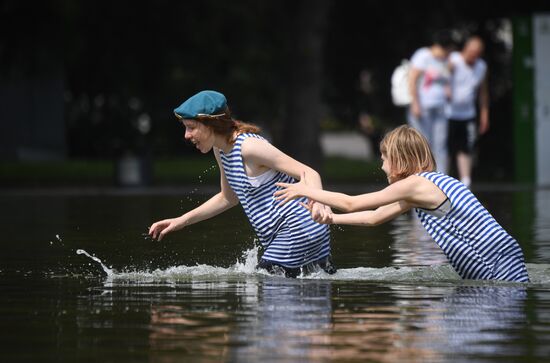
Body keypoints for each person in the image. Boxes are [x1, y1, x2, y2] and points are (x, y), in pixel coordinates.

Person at [274, 125, 529, 283]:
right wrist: (331, 219)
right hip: (503, 254)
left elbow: (352, 203)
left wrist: (305, 190)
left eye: (384, 157)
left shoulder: (414, 184)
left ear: (399, 159)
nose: (382, 165)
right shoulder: (428, 185)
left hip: (493, 261)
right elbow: (373, 218)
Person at [148, 90, 335, 277]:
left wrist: (318, 203)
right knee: (313, 295)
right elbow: (227, 198)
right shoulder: (220, 150)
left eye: (191, 127)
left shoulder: (249, 147)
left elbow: (310, 173)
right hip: (305, 231)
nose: (186, 135)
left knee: (266, 284)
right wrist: (180, 221)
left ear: (212, 124)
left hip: (297, 228)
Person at [408, 30, 455, 174]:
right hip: (423, 107)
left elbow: (445, 79)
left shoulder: (446, 60)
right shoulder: (423, 56)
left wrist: (448, 89)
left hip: (441, 107)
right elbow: (412, 80)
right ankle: (421, 175)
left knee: (440, 144)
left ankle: (441, 177)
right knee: (423, 143)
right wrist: (415, 103)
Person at [448, 36, 489, 188]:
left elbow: (483, 92)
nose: (473, 56)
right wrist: (446, 87)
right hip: (449, 113)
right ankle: (441, 176)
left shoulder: (481, 67)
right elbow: (444, 76)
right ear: (465, 49)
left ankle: (466, 181)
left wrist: (484, 114)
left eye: (477, 54)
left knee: (466, 148)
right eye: (472, 52)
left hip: (468, 114)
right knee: (446, 147)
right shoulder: (454, 59)